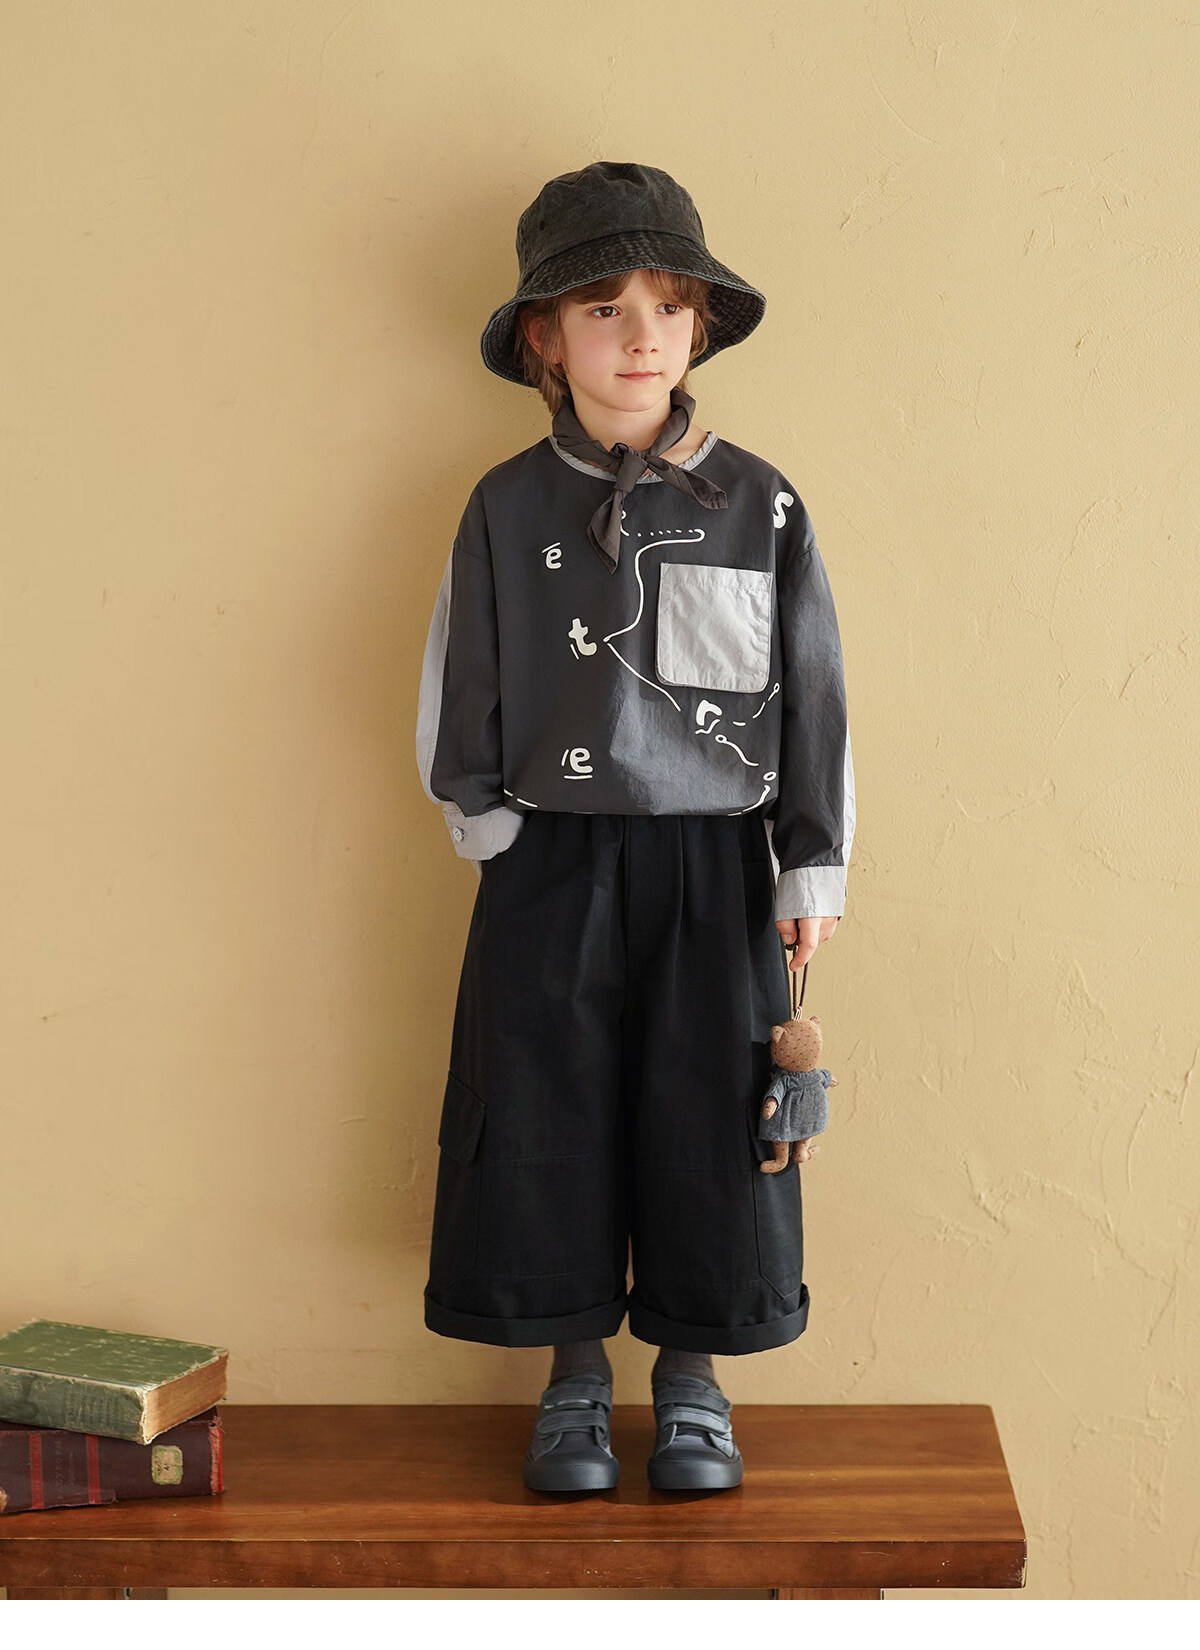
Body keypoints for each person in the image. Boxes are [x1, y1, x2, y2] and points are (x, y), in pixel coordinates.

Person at [414, 161, 855, 1493]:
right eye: (603, 308)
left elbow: (816, 689)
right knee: (544, 1103)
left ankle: (693, 1379)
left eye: (667, 305)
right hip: (548, 857)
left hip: (718, 864)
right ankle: (571, 1378)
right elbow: (461, 667)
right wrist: (481, 818)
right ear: (546, 339)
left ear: (701, 326)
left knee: (711, 1110)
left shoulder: (762, 504)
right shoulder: (504, 505)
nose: (641, 334)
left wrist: (810, 864)